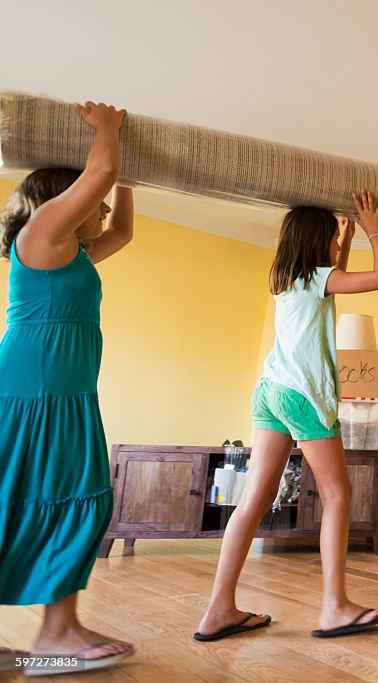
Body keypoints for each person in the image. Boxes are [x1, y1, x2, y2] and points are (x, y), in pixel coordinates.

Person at [196, 190, 378, 641]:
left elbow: (334, 270)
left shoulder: (286, 278)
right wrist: (371, 228)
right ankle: (334, 607)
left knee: (252, 501)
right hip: (304, 395)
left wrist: (342, 236)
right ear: (318, 244)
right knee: (339, 494)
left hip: (270, 391)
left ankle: (218, 610)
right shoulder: (318, 278)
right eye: (331, 241)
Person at [0, 101, 137, 673]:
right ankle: (58, 631)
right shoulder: (40, 235)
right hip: (35, 396)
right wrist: (108, 129)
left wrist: (131, 172)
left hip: (67, 394)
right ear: (63, 199)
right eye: (91, 199)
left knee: (74, 500)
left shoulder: (72, 253)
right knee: (31, 502)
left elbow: (124, 229)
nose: (101, 206)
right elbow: (99, 175)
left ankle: (60, 629)